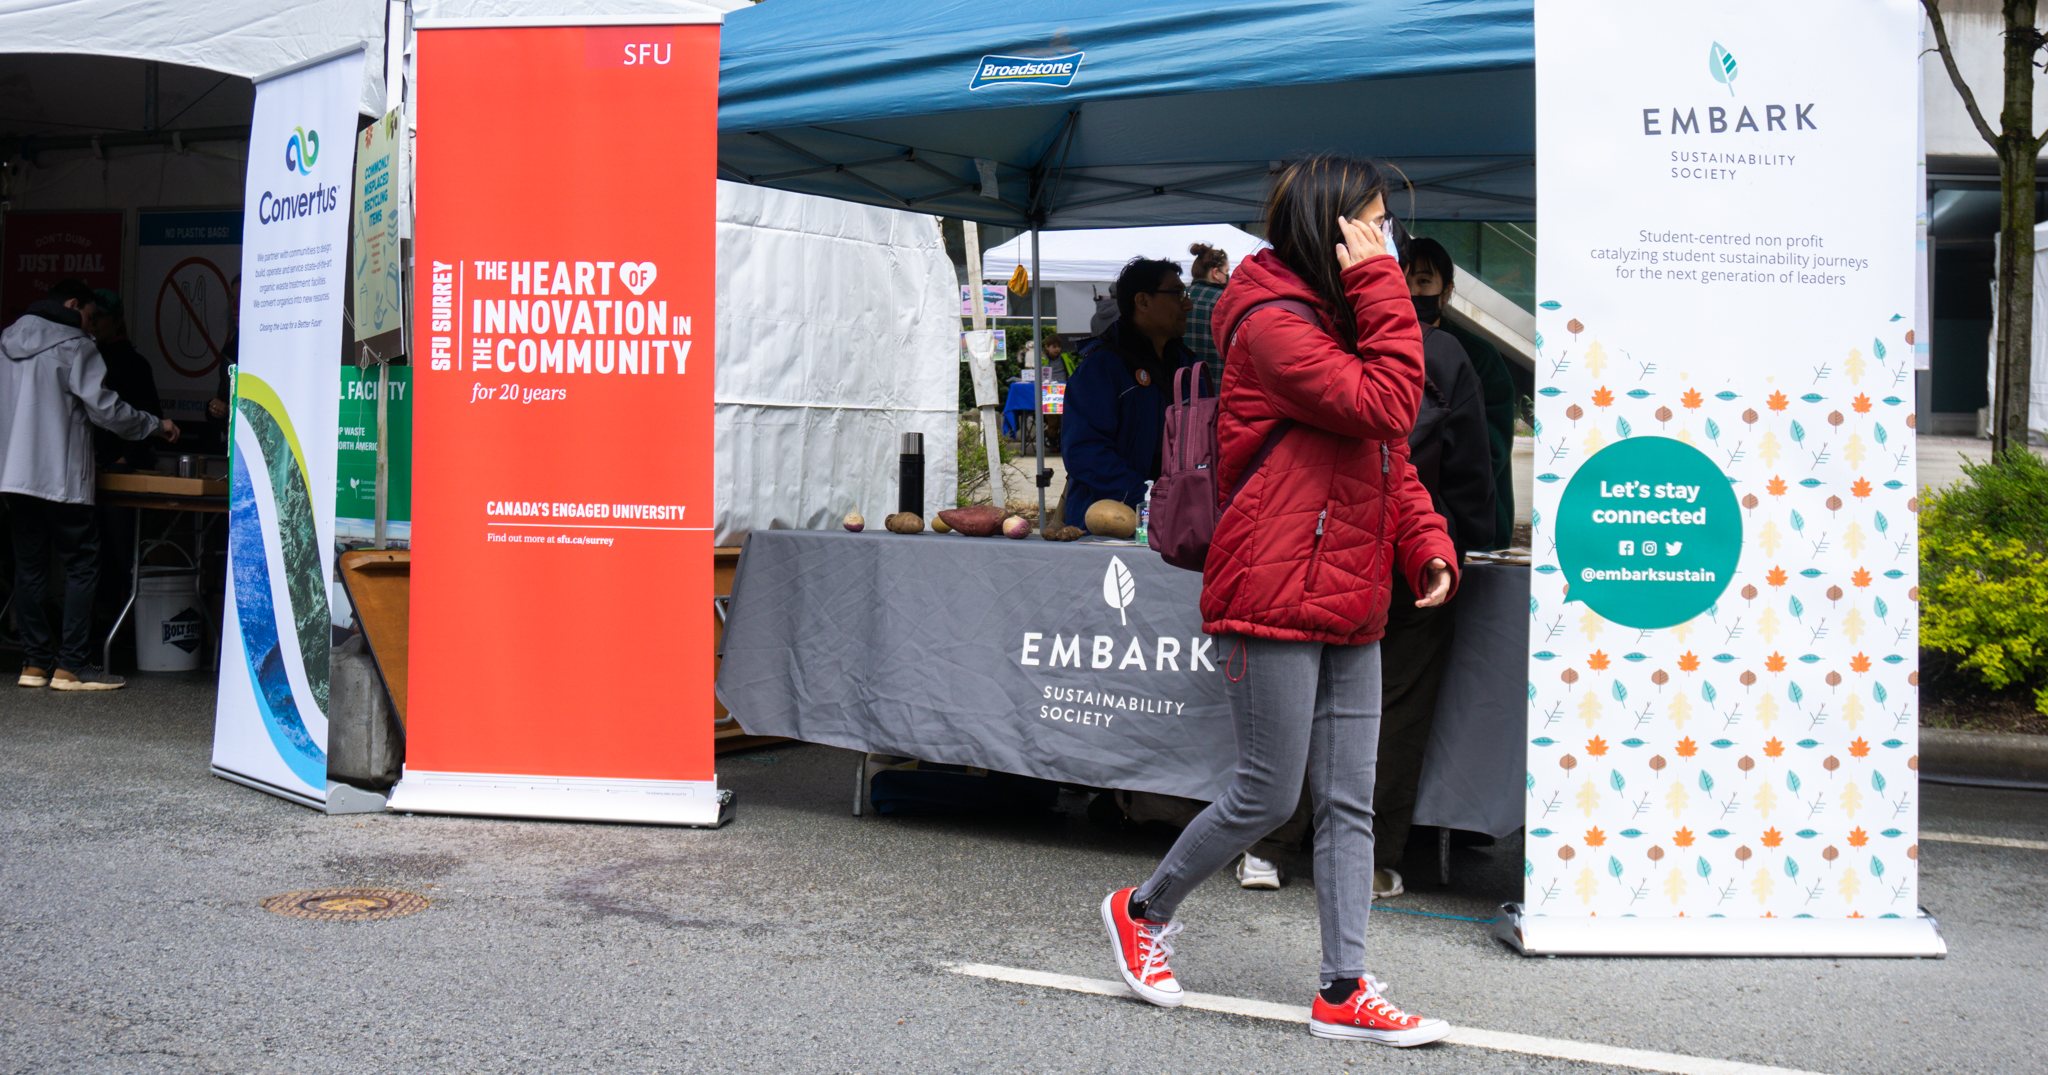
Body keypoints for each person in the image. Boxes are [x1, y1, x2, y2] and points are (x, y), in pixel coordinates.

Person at [1099, 155, 1458, 1047]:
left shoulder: (1344, 314)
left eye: (1388, 229)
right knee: (1266, 794)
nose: (1388, 242)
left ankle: (1344, 985)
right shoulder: (1267, 321)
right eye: (1372, 225)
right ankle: (1142, 910)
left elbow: (1385, 457)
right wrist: (1381, 284)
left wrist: (1425, 540)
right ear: (1327, 230)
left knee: (1350, 801)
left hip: (1350, 588)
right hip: (1271, 585)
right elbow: (1390, 401)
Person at [1367, 250, 1501, 899]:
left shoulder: (1344, 342)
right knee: (1399, 708)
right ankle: (1374, 856)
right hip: (1422, 552)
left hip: (1346, 544)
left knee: (1324, 698)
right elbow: (1471, 461)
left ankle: (1275, 847)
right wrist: (1471, 539)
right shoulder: (1446, 354)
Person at [2, 279, 180, 691]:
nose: (92, 325)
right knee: (81, 565)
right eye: (90, 315)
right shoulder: (75, 345)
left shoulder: (7, 341)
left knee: (29, 569)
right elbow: (107, 411)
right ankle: (72, 665)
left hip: (14, 475)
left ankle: (33, 663)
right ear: (71, 305)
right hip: (61, 478)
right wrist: (154, 425)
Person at [1058, 257, 1199, 529]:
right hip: (1106, 522)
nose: (1188, 304)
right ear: (1143, 302)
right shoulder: (1102, 367)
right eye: (1177, 293)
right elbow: (1084, 452)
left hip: (1177, 519)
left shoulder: (1188, 367)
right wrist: (1147, 497)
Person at [1402, 237, 1517, 548]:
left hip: (1466, 521)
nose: (1413, 292)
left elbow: (1489, 451)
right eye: (1404, 280)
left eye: (1424, 281)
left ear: (1447, 290)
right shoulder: (1379, 345)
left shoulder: (1478, 356)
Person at [1184, 241, 1231, 390]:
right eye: (1226, 272)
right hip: (1216, 387)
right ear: (1216, 273)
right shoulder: (1226, 300)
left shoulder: (1179, 297)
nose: (1228, 277)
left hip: (1181, 386)